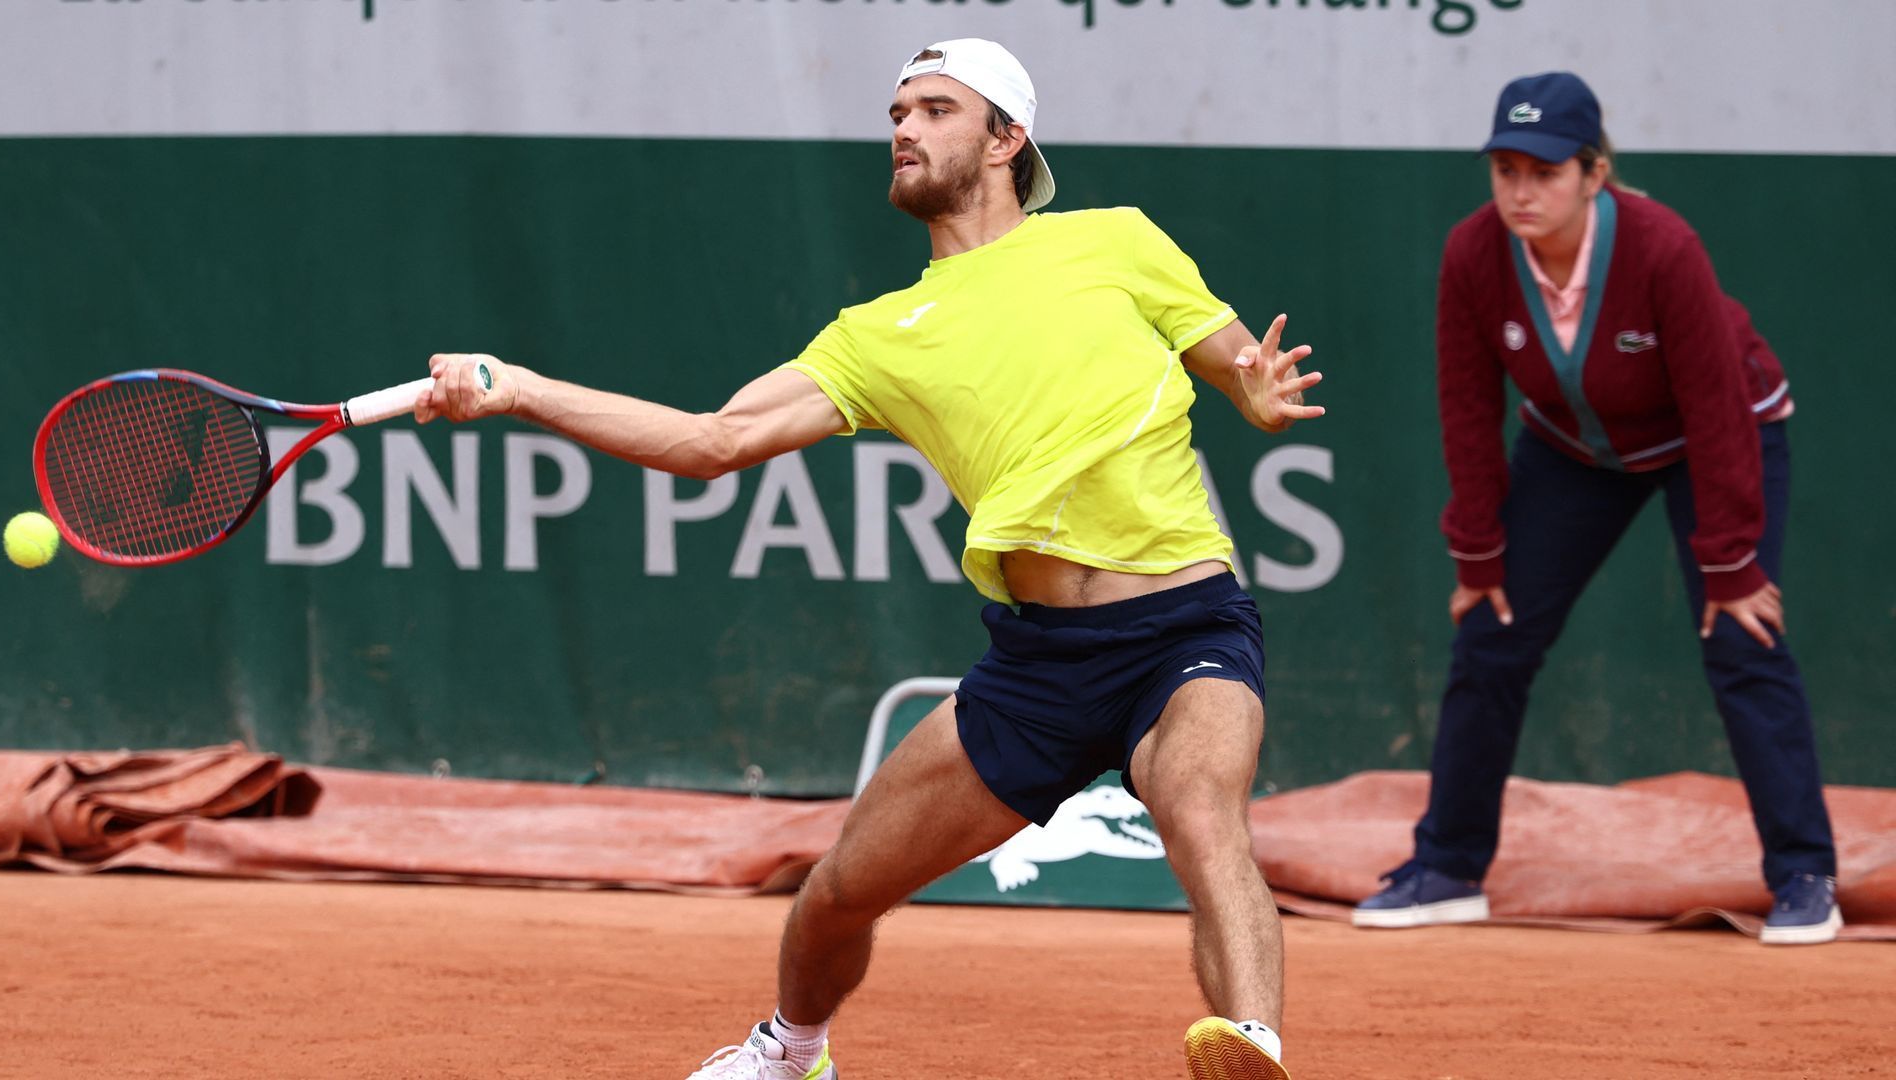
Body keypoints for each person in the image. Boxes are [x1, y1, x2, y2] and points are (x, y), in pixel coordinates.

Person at [415, 38, 1321, 1080]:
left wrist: (1253, 390)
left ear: (1005, 138)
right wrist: (523, 389)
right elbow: (713, 441)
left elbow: (1237, 359)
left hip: (1185, 626)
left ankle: (1251, 1044)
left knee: (1202, 809)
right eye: (898, 113)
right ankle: (791, 1048)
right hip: (1040, 669)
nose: (903, 129)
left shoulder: (1116, 243)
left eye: (936, 109)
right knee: (838, 892)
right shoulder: (876, 336)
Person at [1352, 72, 1840, 945]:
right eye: (1505, 170)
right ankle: (1449, 866)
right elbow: (1467, 408)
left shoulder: (1663, 246)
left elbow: (1718, 407)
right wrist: (1479, 554)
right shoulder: (1473, 254)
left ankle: (1805, 875)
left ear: (1593, 173)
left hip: (1718, 434)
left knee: (1741, 633)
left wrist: (1731, 560)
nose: (1521, 191)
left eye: (1543, 171)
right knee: (1491, 631)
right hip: (1576, 448)